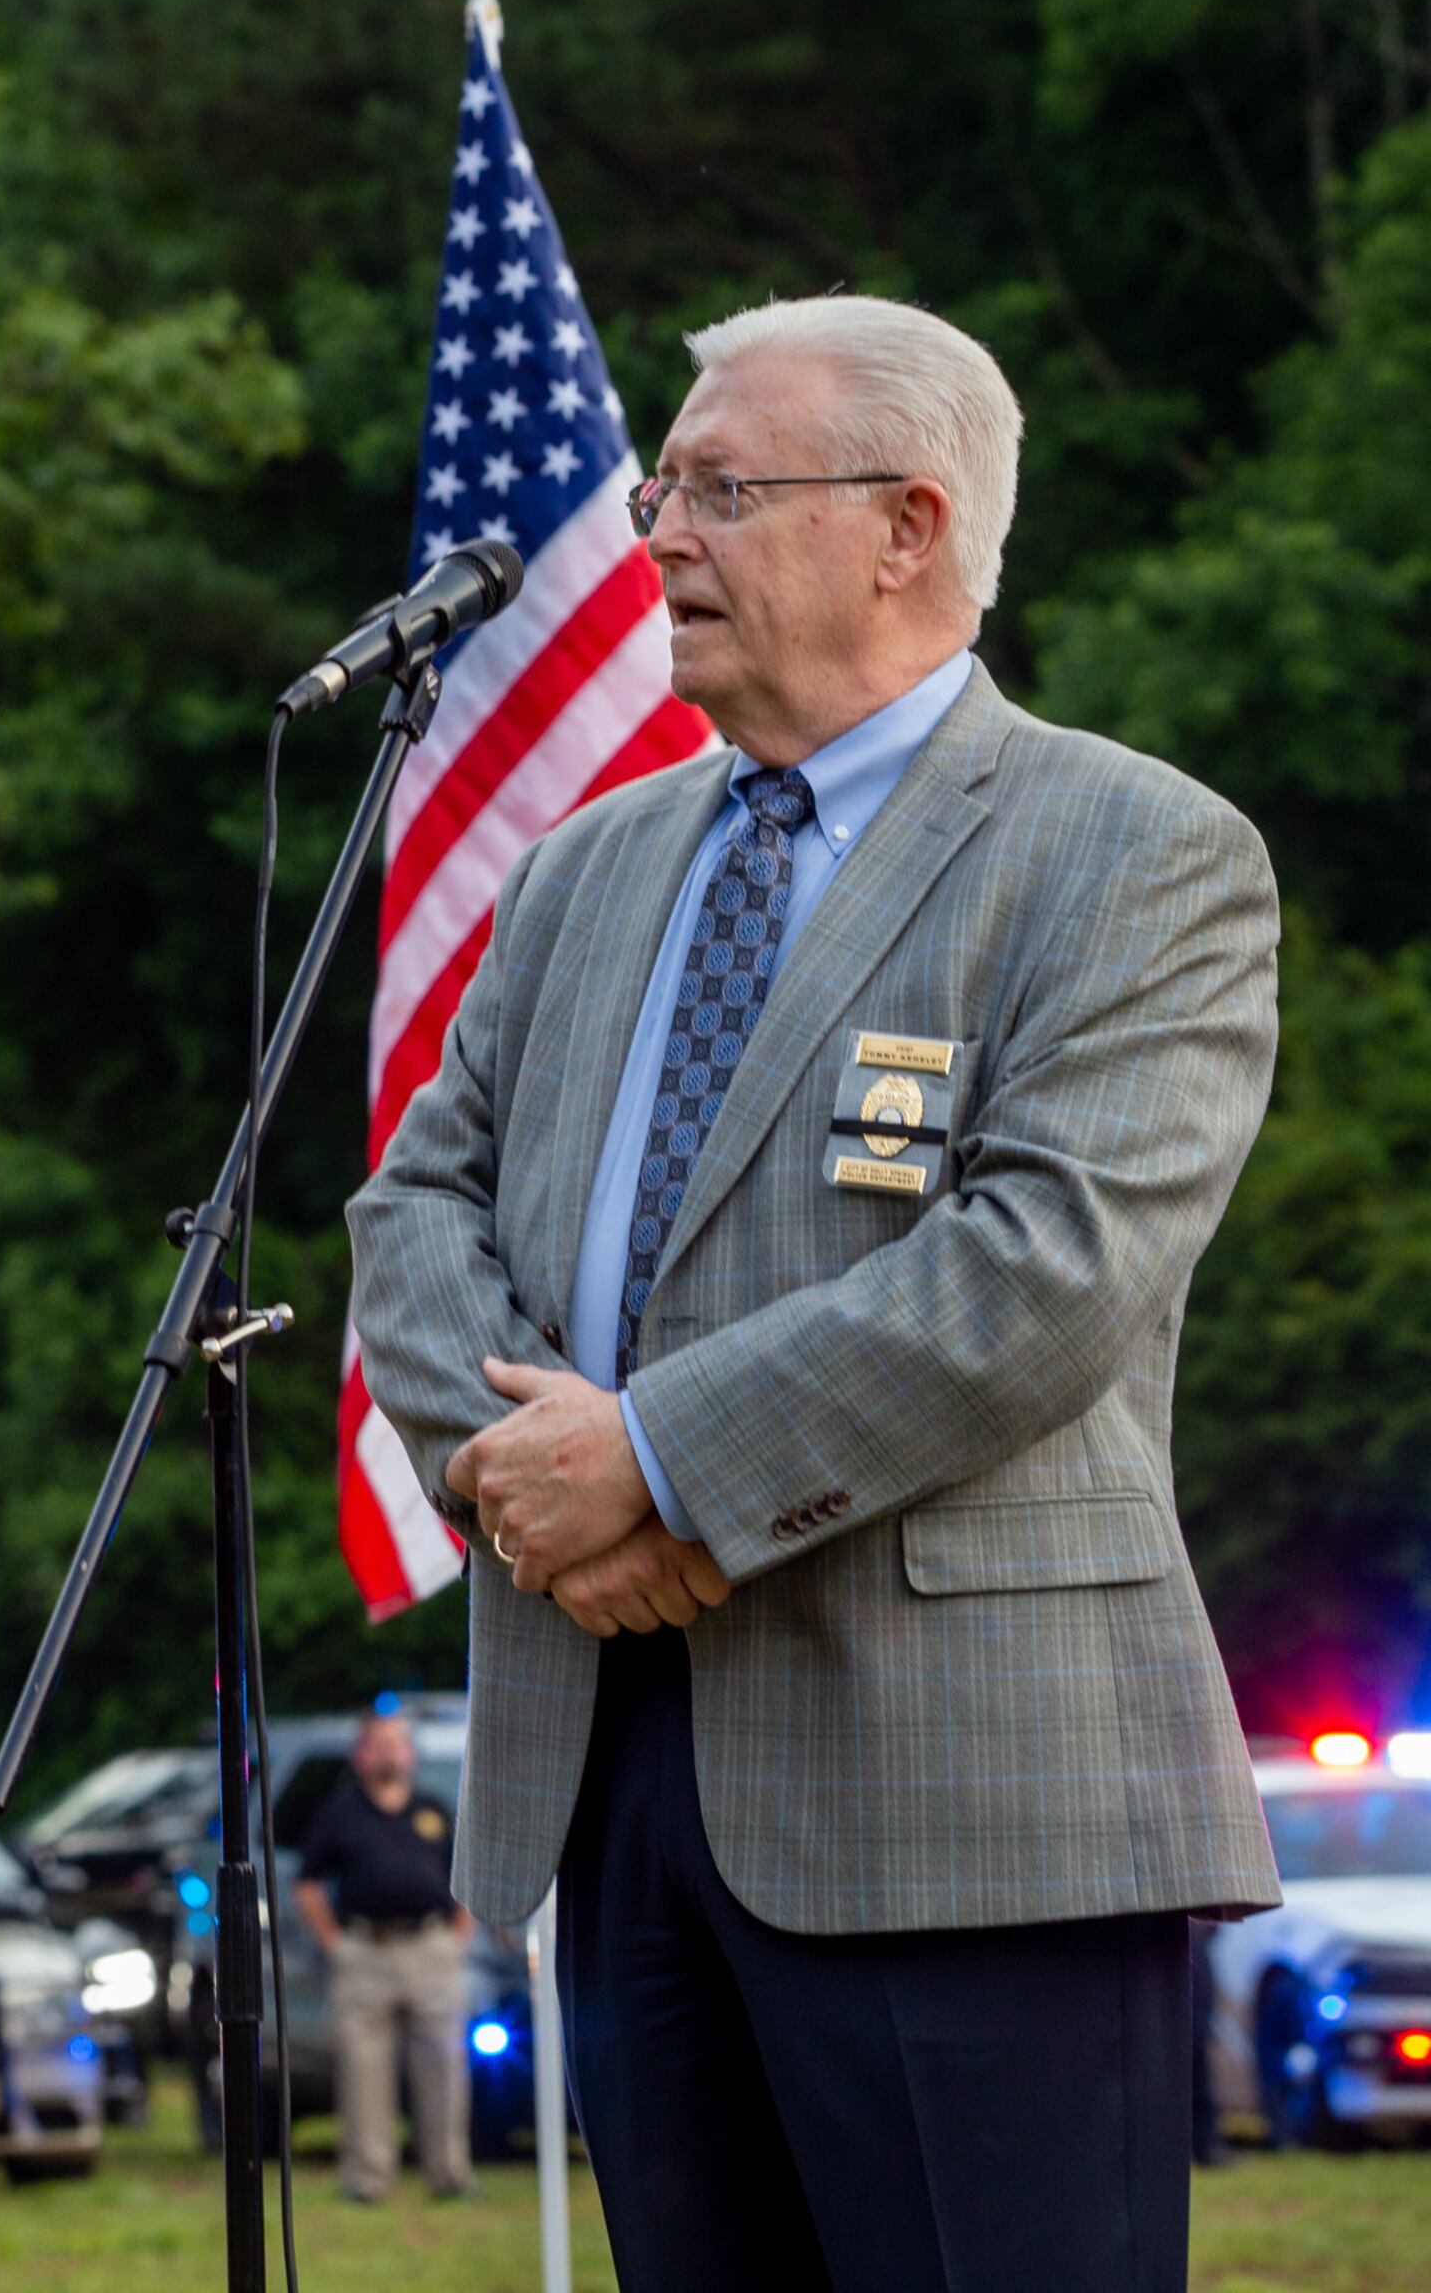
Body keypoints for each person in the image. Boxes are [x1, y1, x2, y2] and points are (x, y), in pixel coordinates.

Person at [349, 295, 1281, 2292]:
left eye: (718, 488)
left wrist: (659, 1461)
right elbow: (413, 1202)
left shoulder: (1130, 852)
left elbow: (1046, 1273)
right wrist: (532, 1483)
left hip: (973, 1796)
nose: (656, 533)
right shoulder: (585, 868)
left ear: (908, 525)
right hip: (614, 1764)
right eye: (657, 484)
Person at [290, 1713, 471, 2204]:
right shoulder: (340, 1813)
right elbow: (306, 1883)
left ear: (410, 1754)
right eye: (379, 1745)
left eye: (398, 1744)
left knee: (444, 2065)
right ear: (361, 1756)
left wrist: (458, 1936)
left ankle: (448, 2173)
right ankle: (368, 2180)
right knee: (364, 2071)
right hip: (365, 1951)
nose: (390, 1753)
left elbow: (468, 1875)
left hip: (430, 1948)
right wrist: (334, 1942)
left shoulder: (433, 1809)